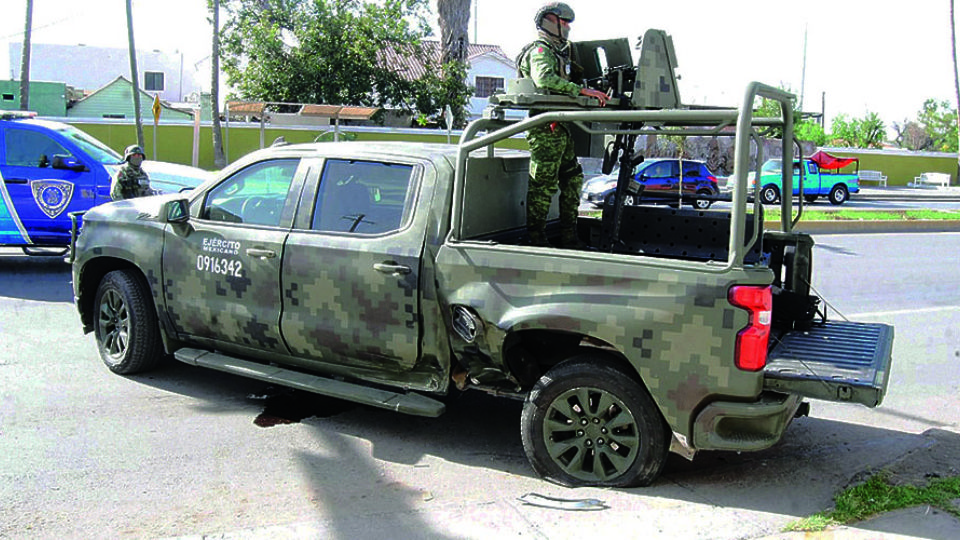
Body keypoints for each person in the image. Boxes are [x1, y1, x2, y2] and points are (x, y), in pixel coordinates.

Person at [516, 2, 608, 247]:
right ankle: (536, 240)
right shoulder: (540, 50)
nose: (567, 28)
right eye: (564, 22)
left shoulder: (560, 52)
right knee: (543, 185)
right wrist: (581, 90)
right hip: (544, 127)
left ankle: (569, 236)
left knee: (573, 178)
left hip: (560, 125)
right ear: (549, 21)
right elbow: (544, 77)